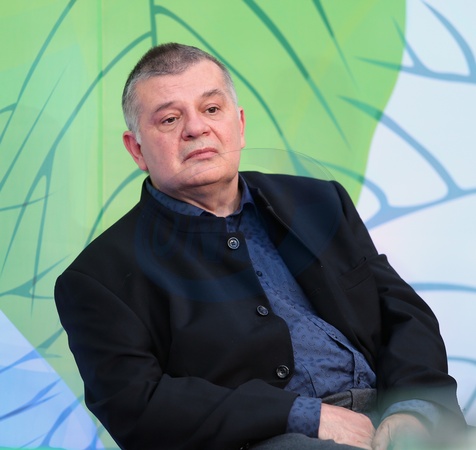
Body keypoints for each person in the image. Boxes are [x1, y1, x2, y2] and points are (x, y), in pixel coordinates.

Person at [54, 43, 466, 450]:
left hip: (389, 416)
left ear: (240, 124)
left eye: (211, 109)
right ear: (136, 149)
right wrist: (304, 415)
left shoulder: (320, 202)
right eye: (170, 119)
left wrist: (414, 410)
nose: (196, 128)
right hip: (266, 439)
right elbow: (137, 406)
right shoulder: (98, 278)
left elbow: (402, 313)